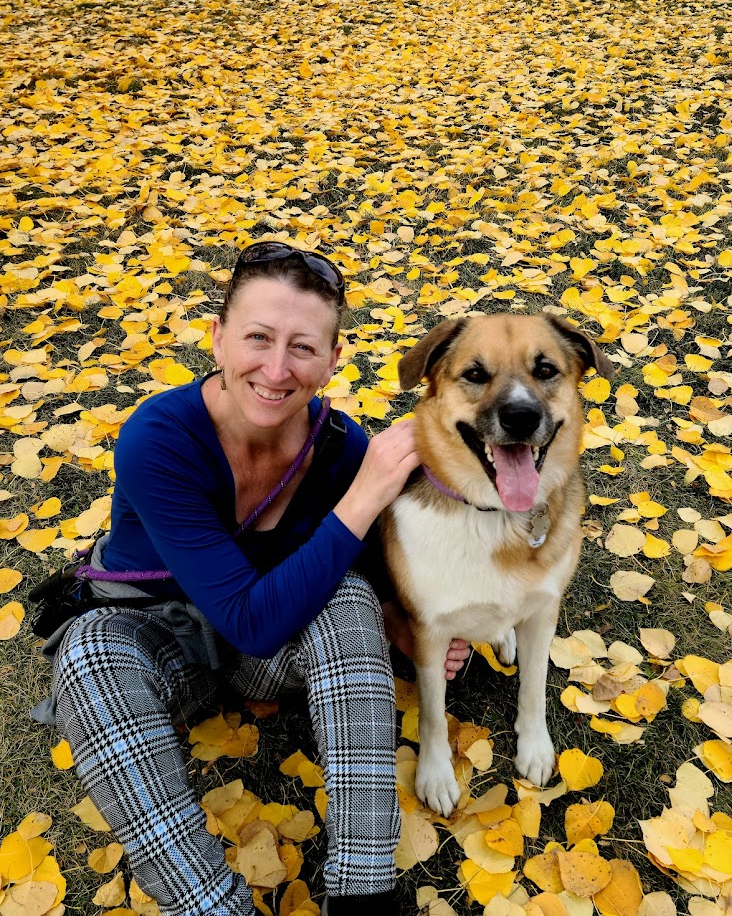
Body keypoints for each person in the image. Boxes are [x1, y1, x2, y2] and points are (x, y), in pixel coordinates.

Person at [32, 241, 469, 916]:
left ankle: (364, 892)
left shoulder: (341, 448)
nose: (275, 367)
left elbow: (376, 567)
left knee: (352, 595)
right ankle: (214, 905)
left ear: (331, 361)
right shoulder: (160, 436)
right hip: (160, 644)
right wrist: (364, 497)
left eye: (302, 347)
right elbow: (250, 616)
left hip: (265, 656)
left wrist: (409, 621)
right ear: (217, 338)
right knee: (86, 655)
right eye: (258, 337)